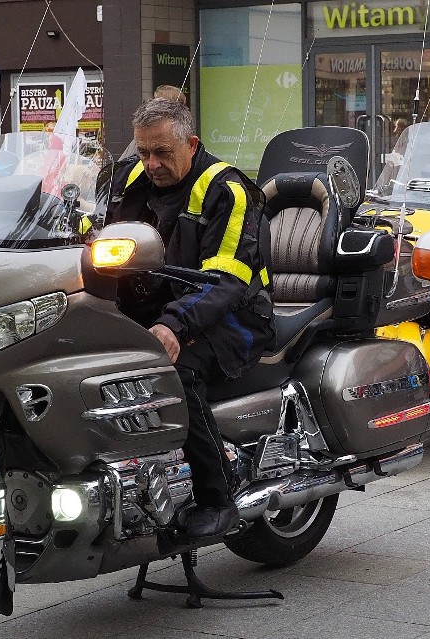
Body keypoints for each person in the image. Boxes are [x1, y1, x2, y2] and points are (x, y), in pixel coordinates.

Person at [105, 98, 275, 539]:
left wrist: (174, 324)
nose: (152, 163)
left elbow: (226, 278)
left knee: (176, 372)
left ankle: (216, 499)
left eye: (162, 152)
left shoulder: (227, 189)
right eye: (143, 152)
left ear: (192, 143)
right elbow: (98, 239)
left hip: (231, 317)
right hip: (154, 310)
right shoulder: (129, 181)